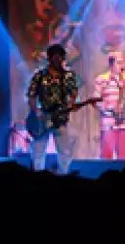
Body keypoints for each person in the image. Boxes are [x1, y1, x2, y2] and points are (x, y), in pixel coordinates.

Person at [27, 44, 78, 174]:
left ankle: (63, 174)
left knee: (65, 151)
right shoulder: (39, 76)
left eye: (61, 57)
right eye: (55, 57)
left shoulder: (68, 76)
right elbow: (31, 96)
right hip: (42, 118)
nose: (58, 60)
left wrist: (71, 104)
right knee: (38, 151)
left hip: (60, 119)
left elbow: (73, 94)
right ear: (49, 58)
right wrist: (36, 111)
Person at [93, 50, 125, 160]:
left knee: (123, 156)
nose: (122, 65)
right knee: (106, 156)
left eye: (123, 62)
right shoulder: (102, 79)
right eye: (119, 62)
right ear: (111, 64)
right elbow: (95, 101)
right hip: (108, 122)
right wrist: (107, 108)